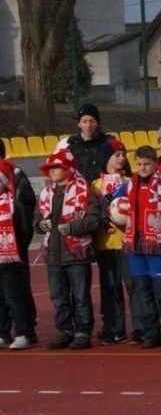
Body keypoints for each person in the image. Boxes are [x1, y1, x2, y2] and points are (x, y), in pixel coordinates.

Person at [35, 148, 100, 350]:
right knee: (58, 297)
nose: (51, 171)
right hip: (53, 254)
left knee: (80, 296)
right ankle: (64, 330)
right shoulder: (47, 193)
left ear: (67, 168)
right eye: (50, 168)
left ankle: (82, 332)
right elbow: (36, 218)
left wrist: (73, 227)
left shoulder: (85, 190)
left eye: (56, 167)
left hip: (76, 254)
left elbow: (93, 219)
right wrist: (39, 225)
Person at [114, 145, 161, 348]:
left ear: (154, 163)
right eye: (139, 164)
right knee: (143, 291)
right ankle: (152, 331)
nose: (142, 168)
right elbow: (111, 200)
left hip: (157, 244)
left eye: (147, 164)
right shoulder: (130, 184)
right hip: (135, 243)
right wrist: (111, 218)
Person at [92, 139, 139, 345]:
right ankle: (114, 328)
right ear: (106, 158)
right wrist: (102, 221)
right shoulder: (95, 184)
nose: (121, 159)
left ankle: (140, 327)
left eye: (123, 155)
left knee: (133, 285)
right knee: (110, 287)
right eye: (116, 155)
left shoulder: (130, 181)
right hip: (105, 243)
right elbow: (92, 211)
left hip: (127, 242)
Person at [0, 139, 38, 344]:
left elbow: (27, 209)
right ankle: (3, 332)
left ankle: (25, 331)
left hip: (14, 250)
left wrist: (20, 245)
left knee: (16, 291)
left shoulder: (15, 174)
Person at [66, 103, 113, 184]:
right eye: (84, 122)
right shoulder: (72, 147)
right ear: (79, 124)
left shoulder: (108, 145)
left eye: (92, 121)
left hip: (101, 191)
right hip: (78, 191)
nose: (88, 125)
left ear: (98, 123)